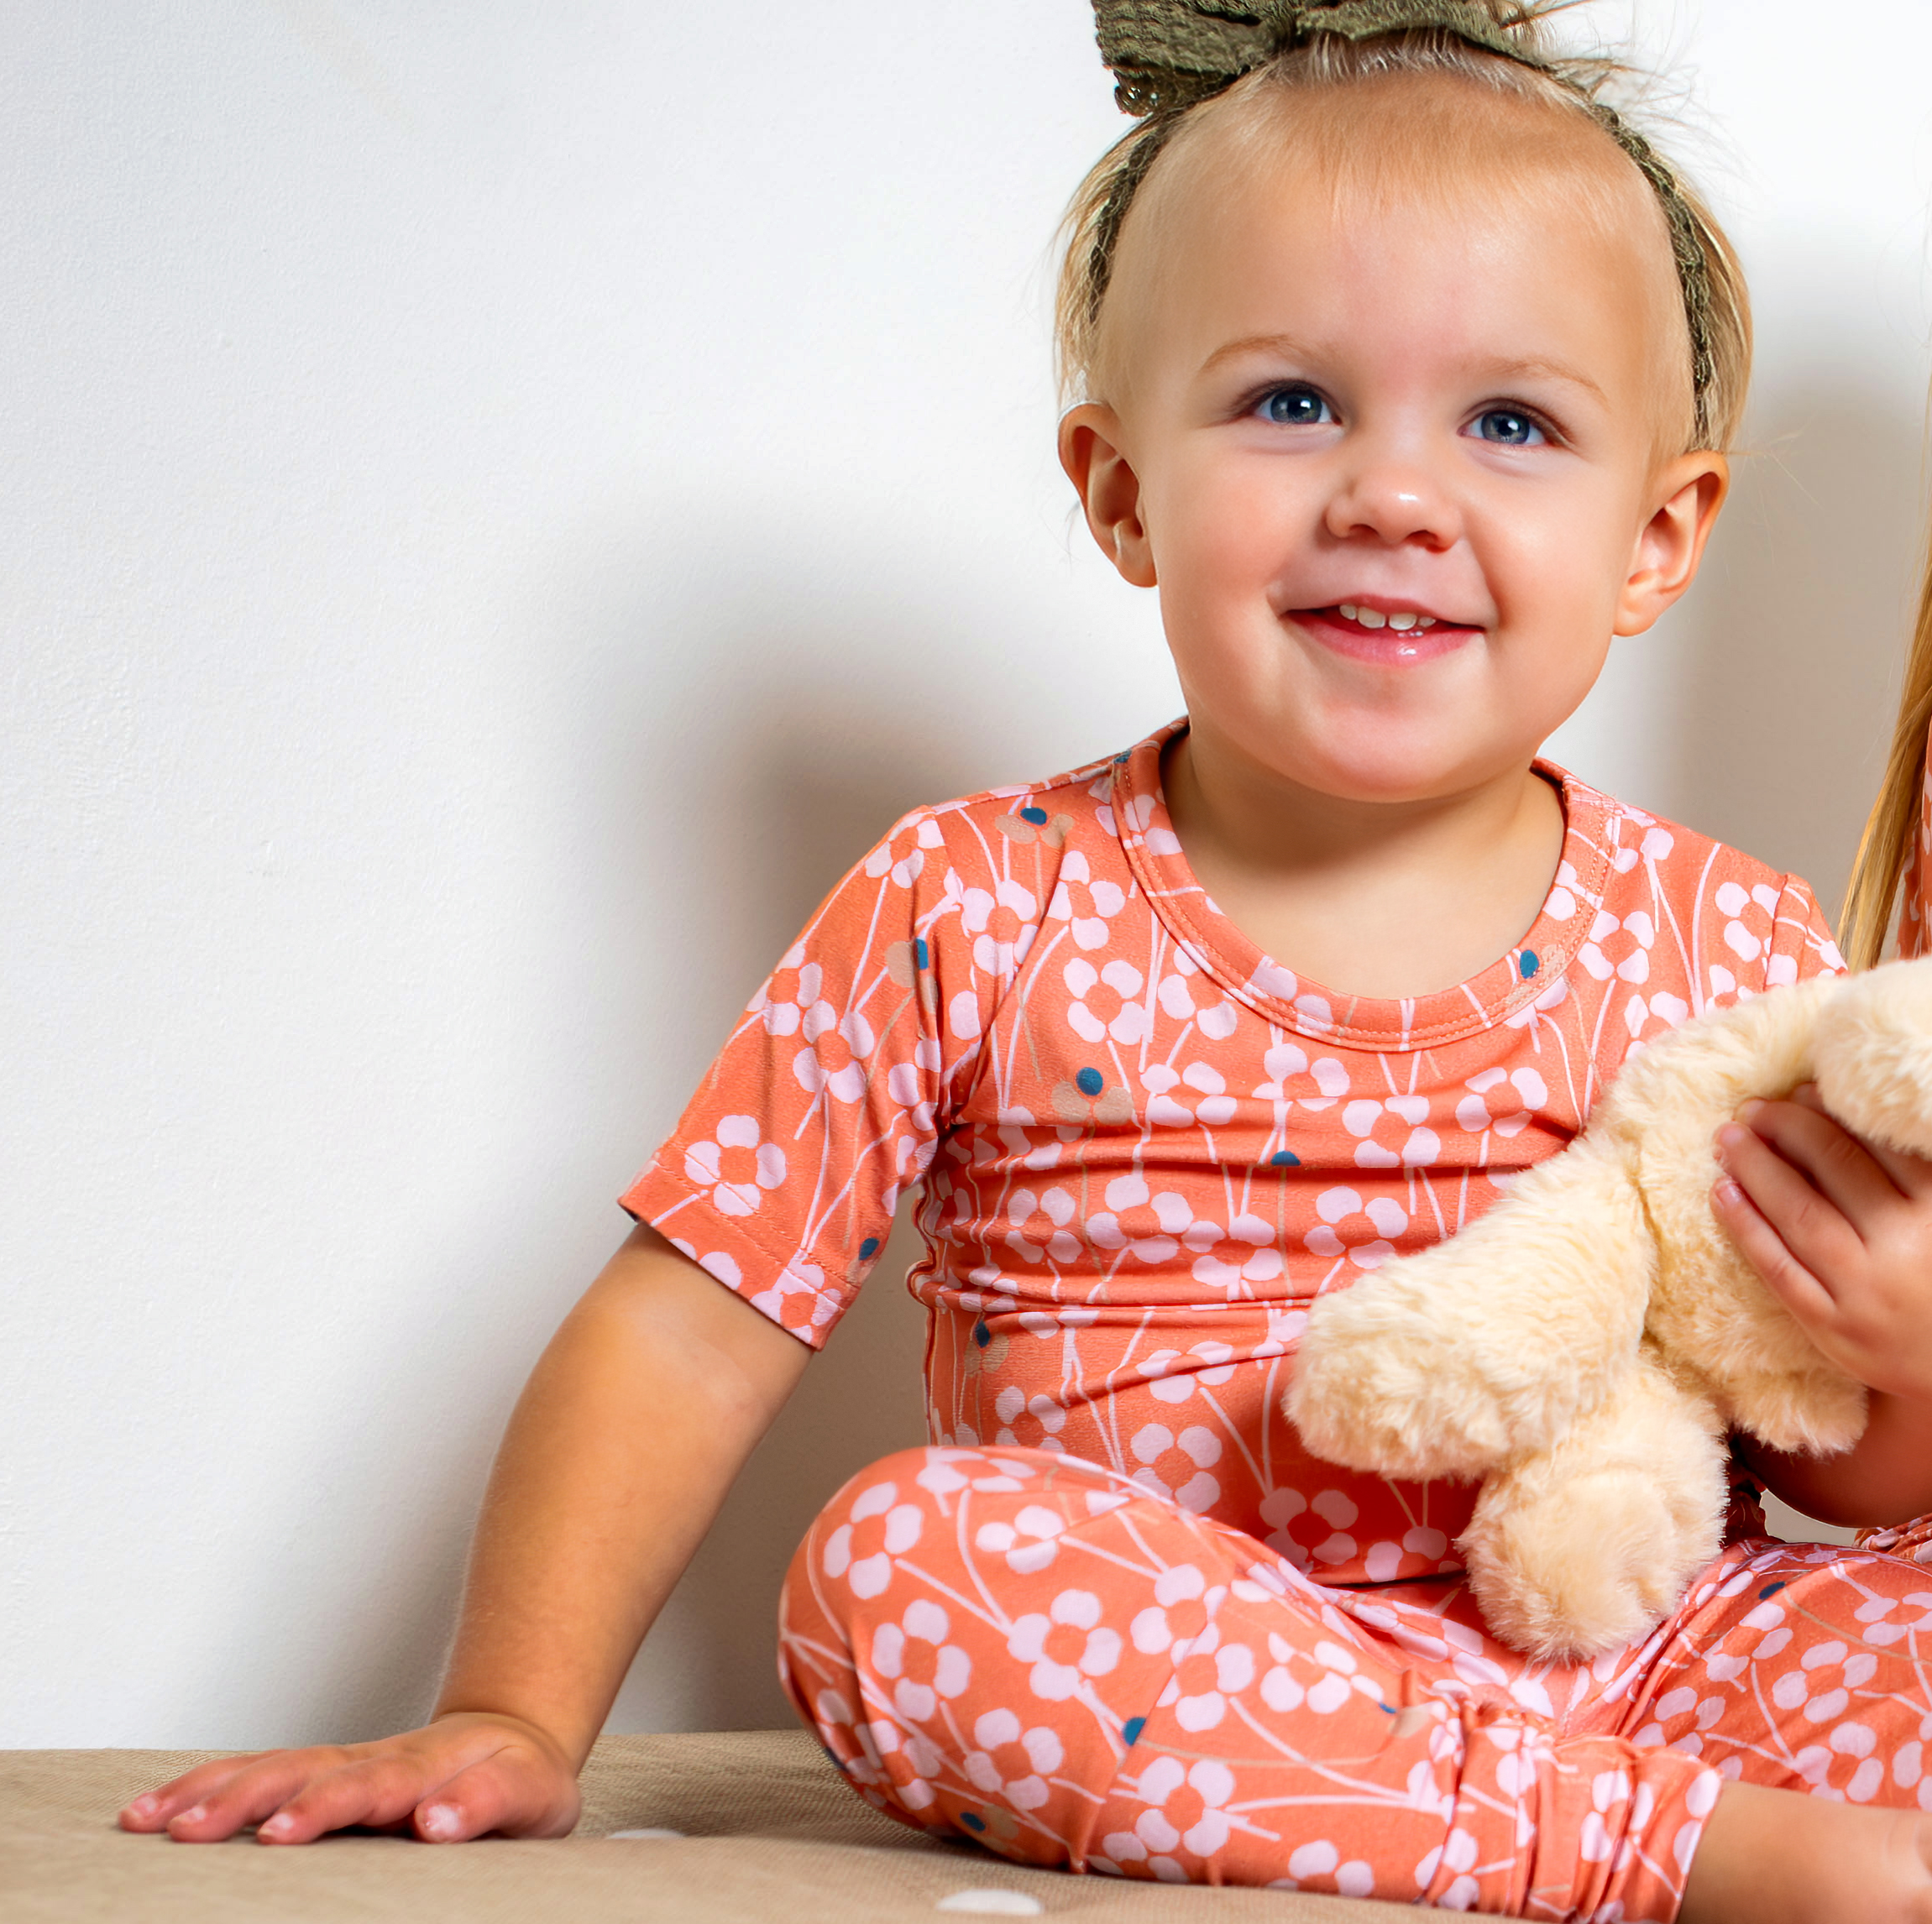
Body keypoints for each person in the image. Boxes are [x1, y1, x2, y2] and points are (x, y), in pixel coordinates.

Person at [118, 3, 1932, 1916]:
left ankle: (1594, 1808)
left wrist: (1908, 1364)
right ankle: (1658, 1856)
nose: (1395, 494)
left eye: (1510, 423)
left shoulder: (1725, 931)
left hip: (1644, 1656)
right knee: (904, 1563)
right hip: (1174, 1664)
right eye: (1292, 402)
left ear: (1657, 538)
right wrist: (506, 1708)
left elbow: (1826, 1469)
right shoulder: (973, 900)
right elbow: (687, 1321)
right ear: (1119, 490)